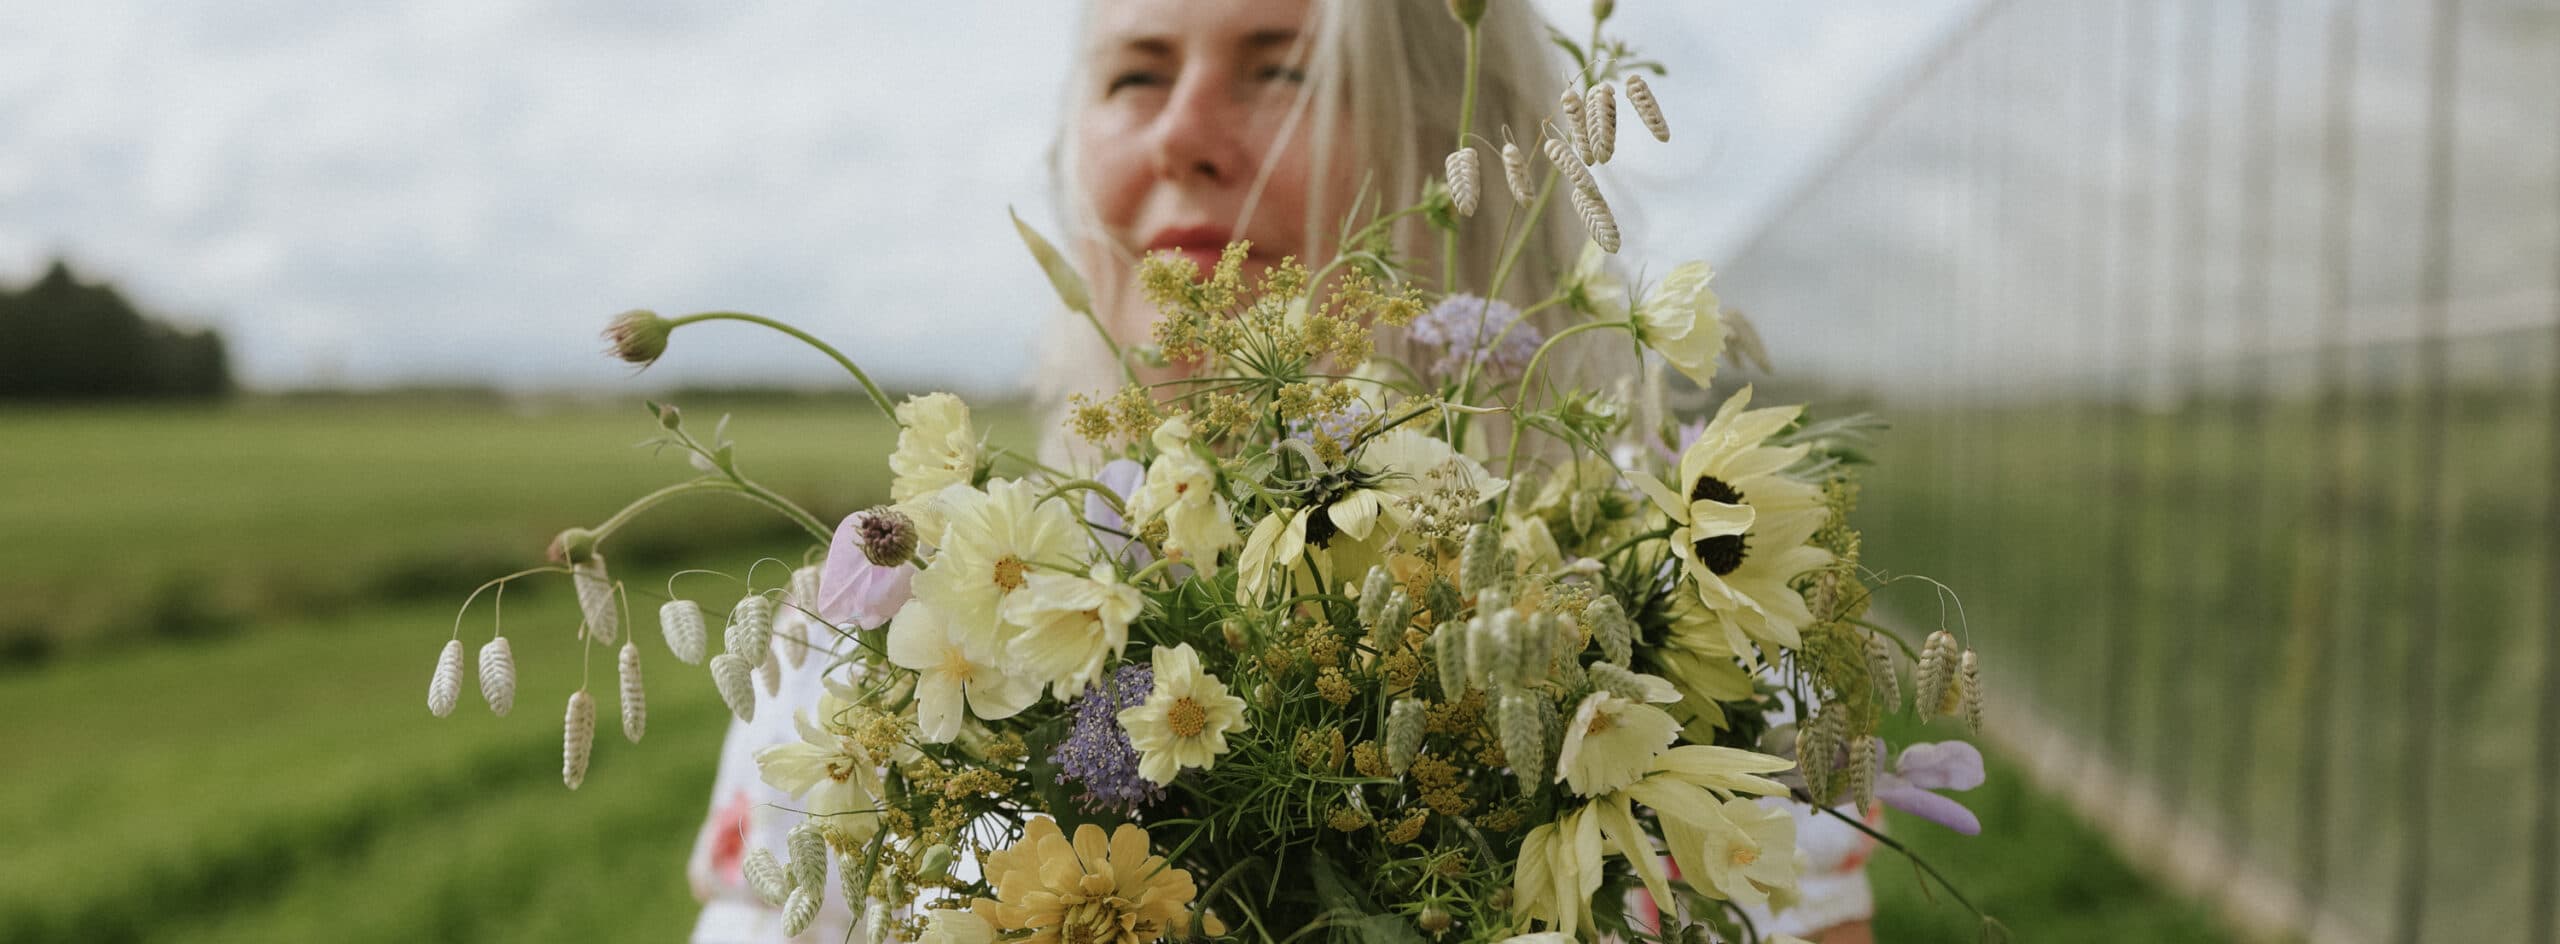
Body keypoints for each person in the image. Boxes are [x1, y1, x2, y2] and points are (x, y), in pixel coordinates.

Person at [689, 1, 1877, 940]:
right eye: (1137, 72)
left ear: (1456, 136)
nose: (1184, 134)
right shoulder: (872, 634)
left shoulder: (1702, 616)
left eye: (1282, 68)